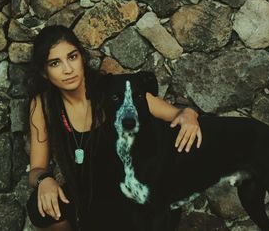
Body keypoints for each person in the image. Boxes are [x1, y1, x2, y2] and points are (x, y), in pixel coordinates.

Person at [26, 25, 202, 231]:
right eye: (55, 63)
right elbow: (37, 168)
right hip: (86, 194)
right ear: (44, 73)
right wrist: (44, 180)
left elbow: (177, 114)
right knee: (41, 207)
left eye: (72, 57)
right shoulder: (44, 104)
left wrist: (190, 114)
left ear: (82, 57)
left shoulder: (111, 89)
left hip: (127, 191)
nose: (68, 69)